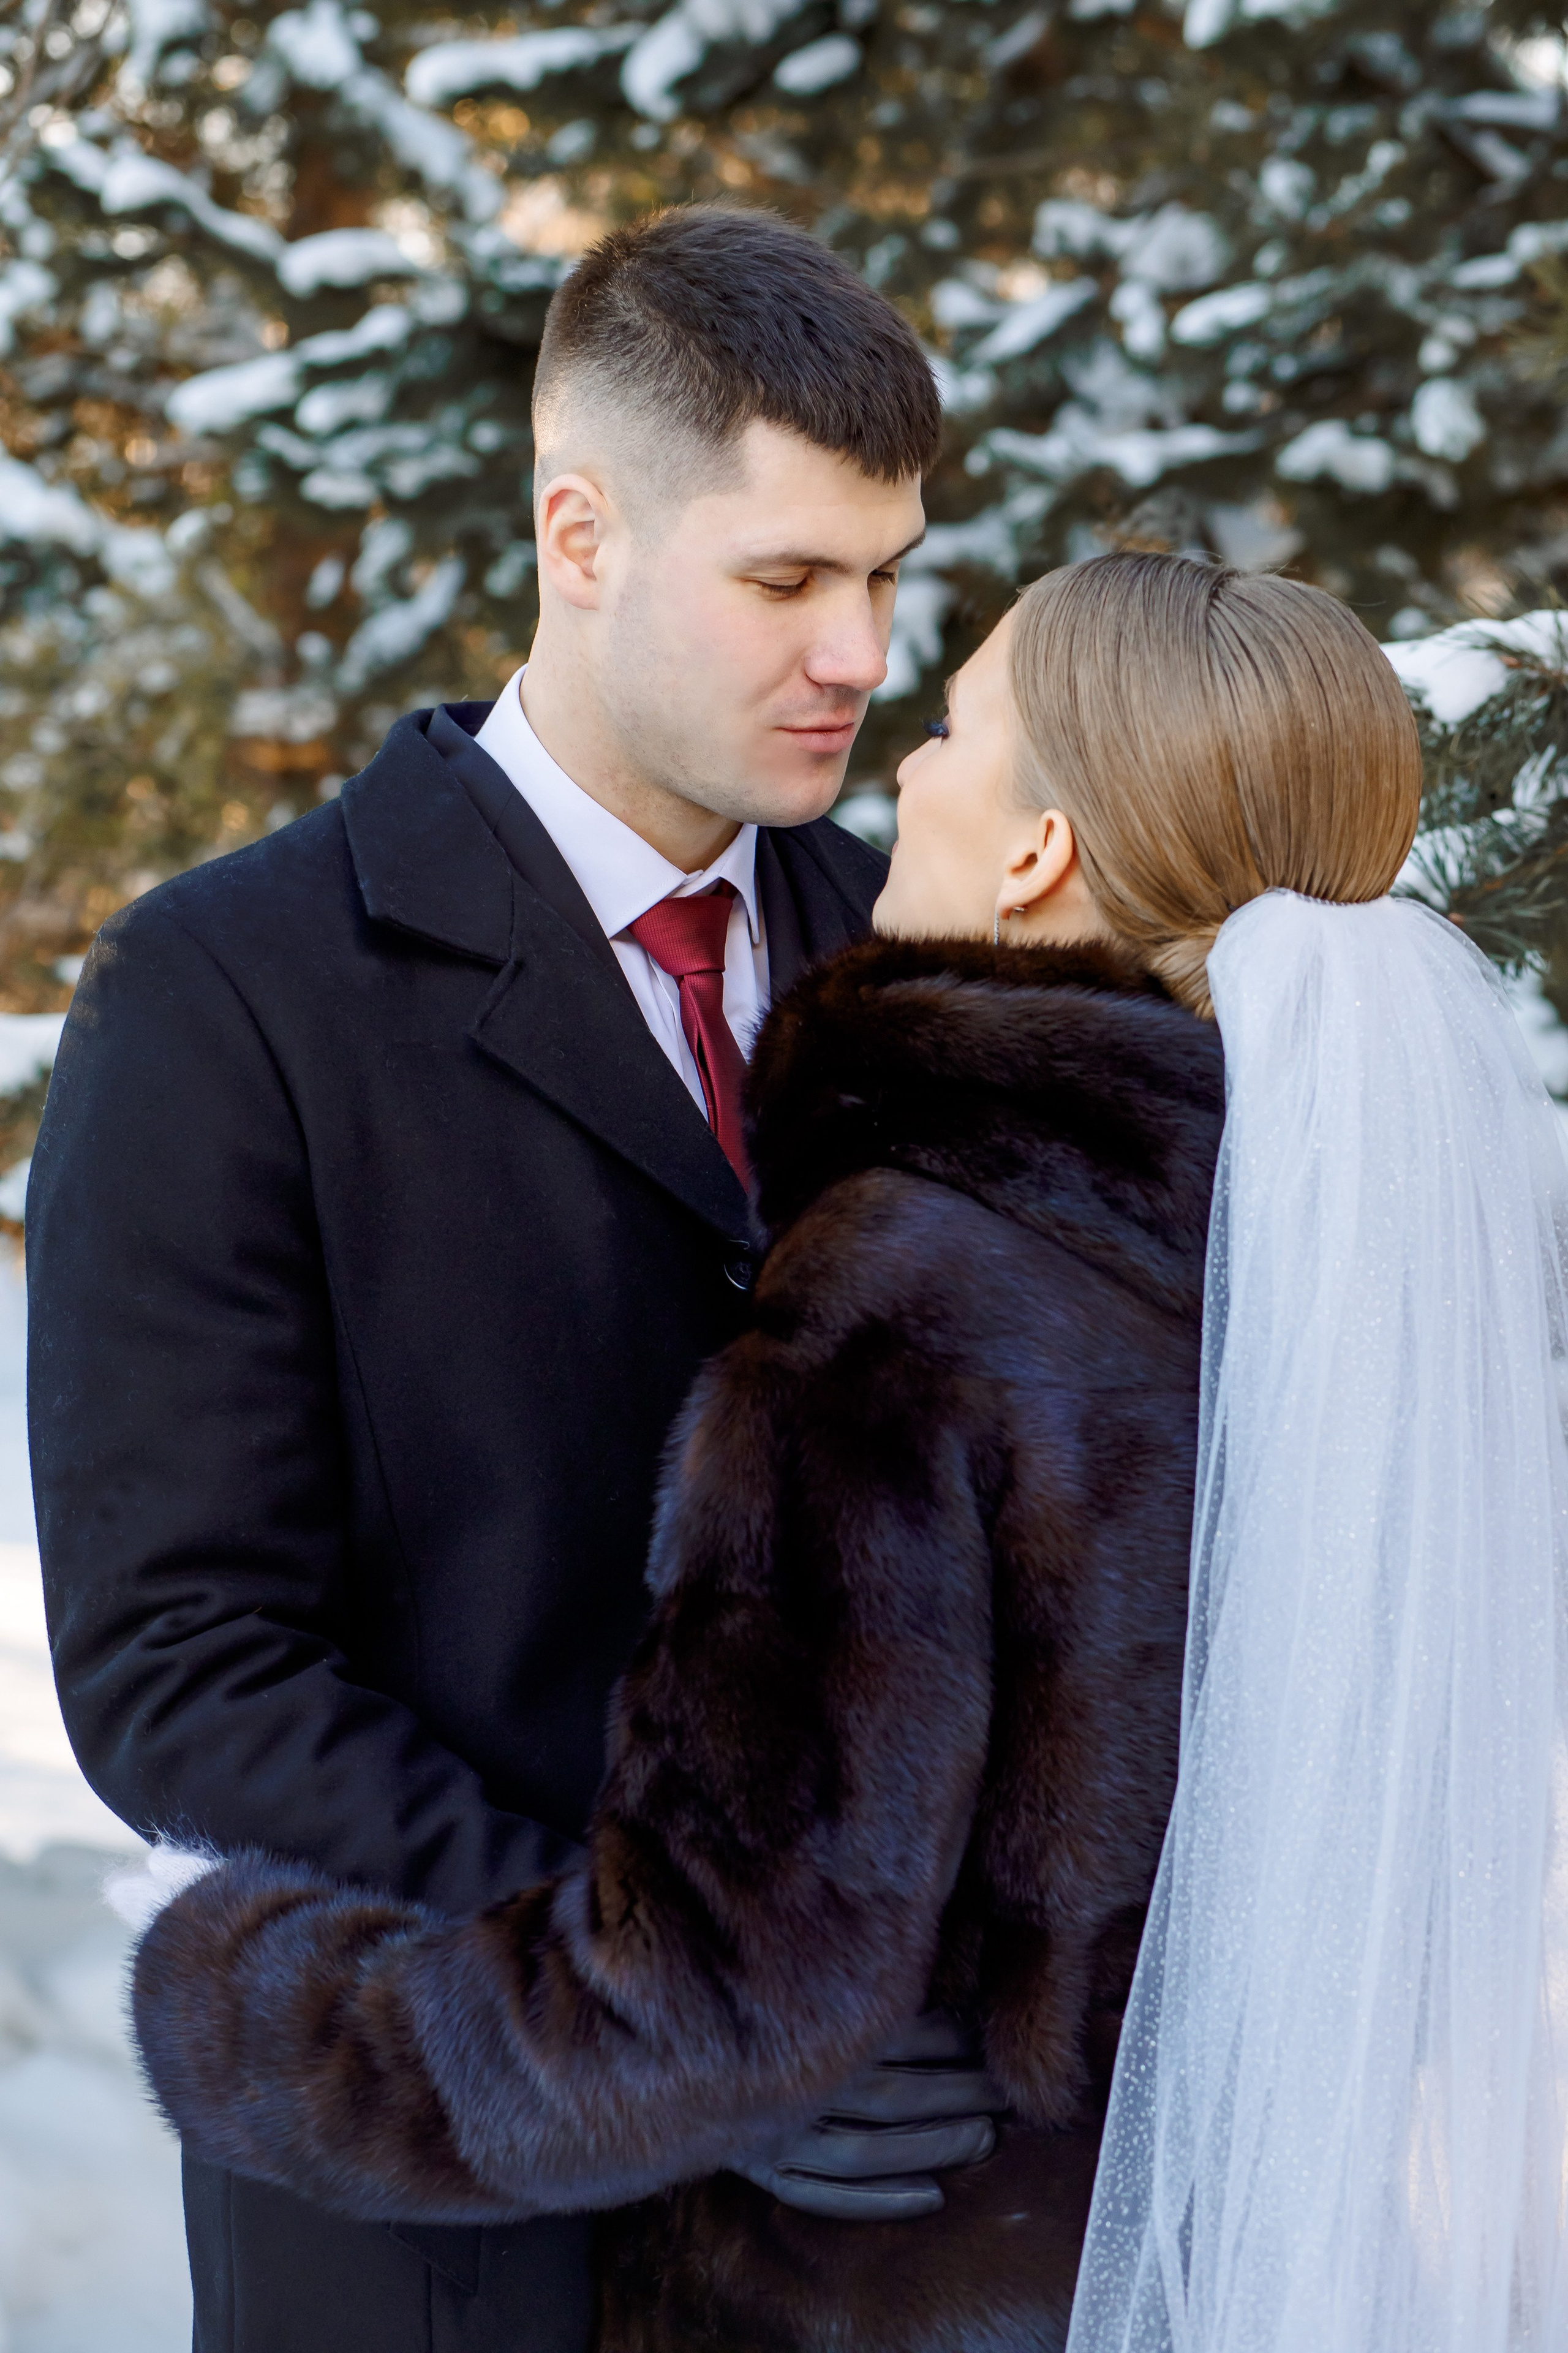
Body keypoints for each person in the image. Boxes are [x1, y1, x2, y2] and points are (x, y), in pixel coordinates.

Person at [130, 547, 1450, 2349]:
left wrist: (237, 2002)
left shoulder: (908, 1294)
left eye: (953, 728)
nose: (902, 757)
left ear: (1040, 852)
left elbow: (714, 2003)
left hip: (862, 2305)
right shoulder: (1312, 1267)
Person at [25, 206, 1011, 2353]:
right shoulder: (226, 990)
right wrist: (664, 2001)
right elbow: (179, 1660)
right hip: (444, 2220)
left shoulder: (917, 947)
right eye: (787, 579)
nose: (858, 649)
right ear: (582, 532)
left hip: (892, 2242)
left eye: (887, 575)